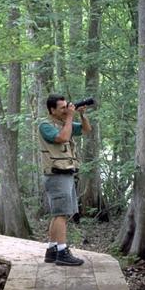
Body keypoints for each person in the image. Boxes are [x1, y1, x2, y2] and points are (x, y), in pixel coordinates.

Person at [39, 94, 92, 266]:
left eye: (66, 106)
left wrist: (81, 115)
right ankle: (62, 252)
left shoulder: (64, 124)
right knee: (61, 214)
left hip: (66, 174)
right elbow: (62, 138)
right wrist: (70, 117)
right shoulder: (45, 125)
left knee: (59, 214)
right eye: (61, 108)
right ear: (52, 110)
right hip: (56, 175)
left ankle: (52, 249)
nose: (65, 110)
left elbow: (85, 130)